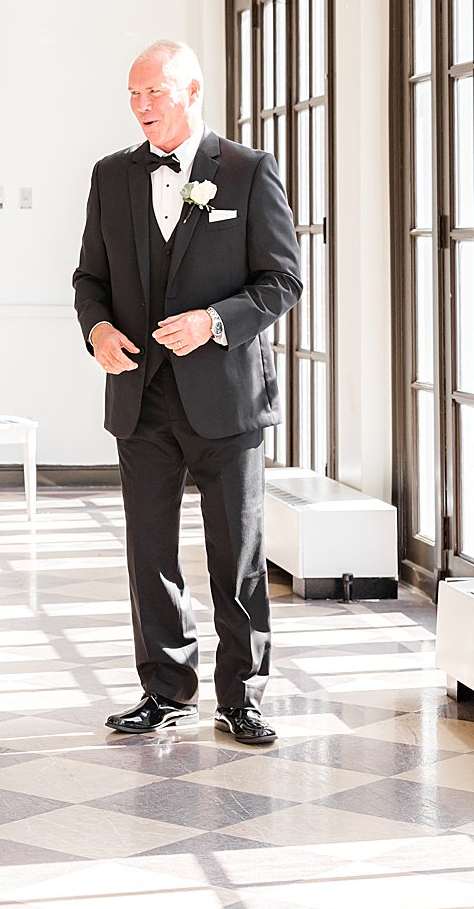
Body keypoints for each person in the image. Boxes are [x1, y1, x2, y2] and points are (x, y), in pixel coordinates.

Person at [73, 41, 302, 746]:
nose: (142, 107)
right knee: (150, 552)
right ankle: (165, 689)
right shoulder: (111, 175)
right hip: (140, 397)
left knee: (235, 551)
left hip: (225, 401)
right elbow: (89, 280)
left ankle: (243, 695)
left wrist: (213, 322)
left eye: (156, 93)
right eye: (134, 94)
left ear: (193, 90)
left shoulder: (247, 170)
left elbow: (281, 282)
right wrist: (99, 331)